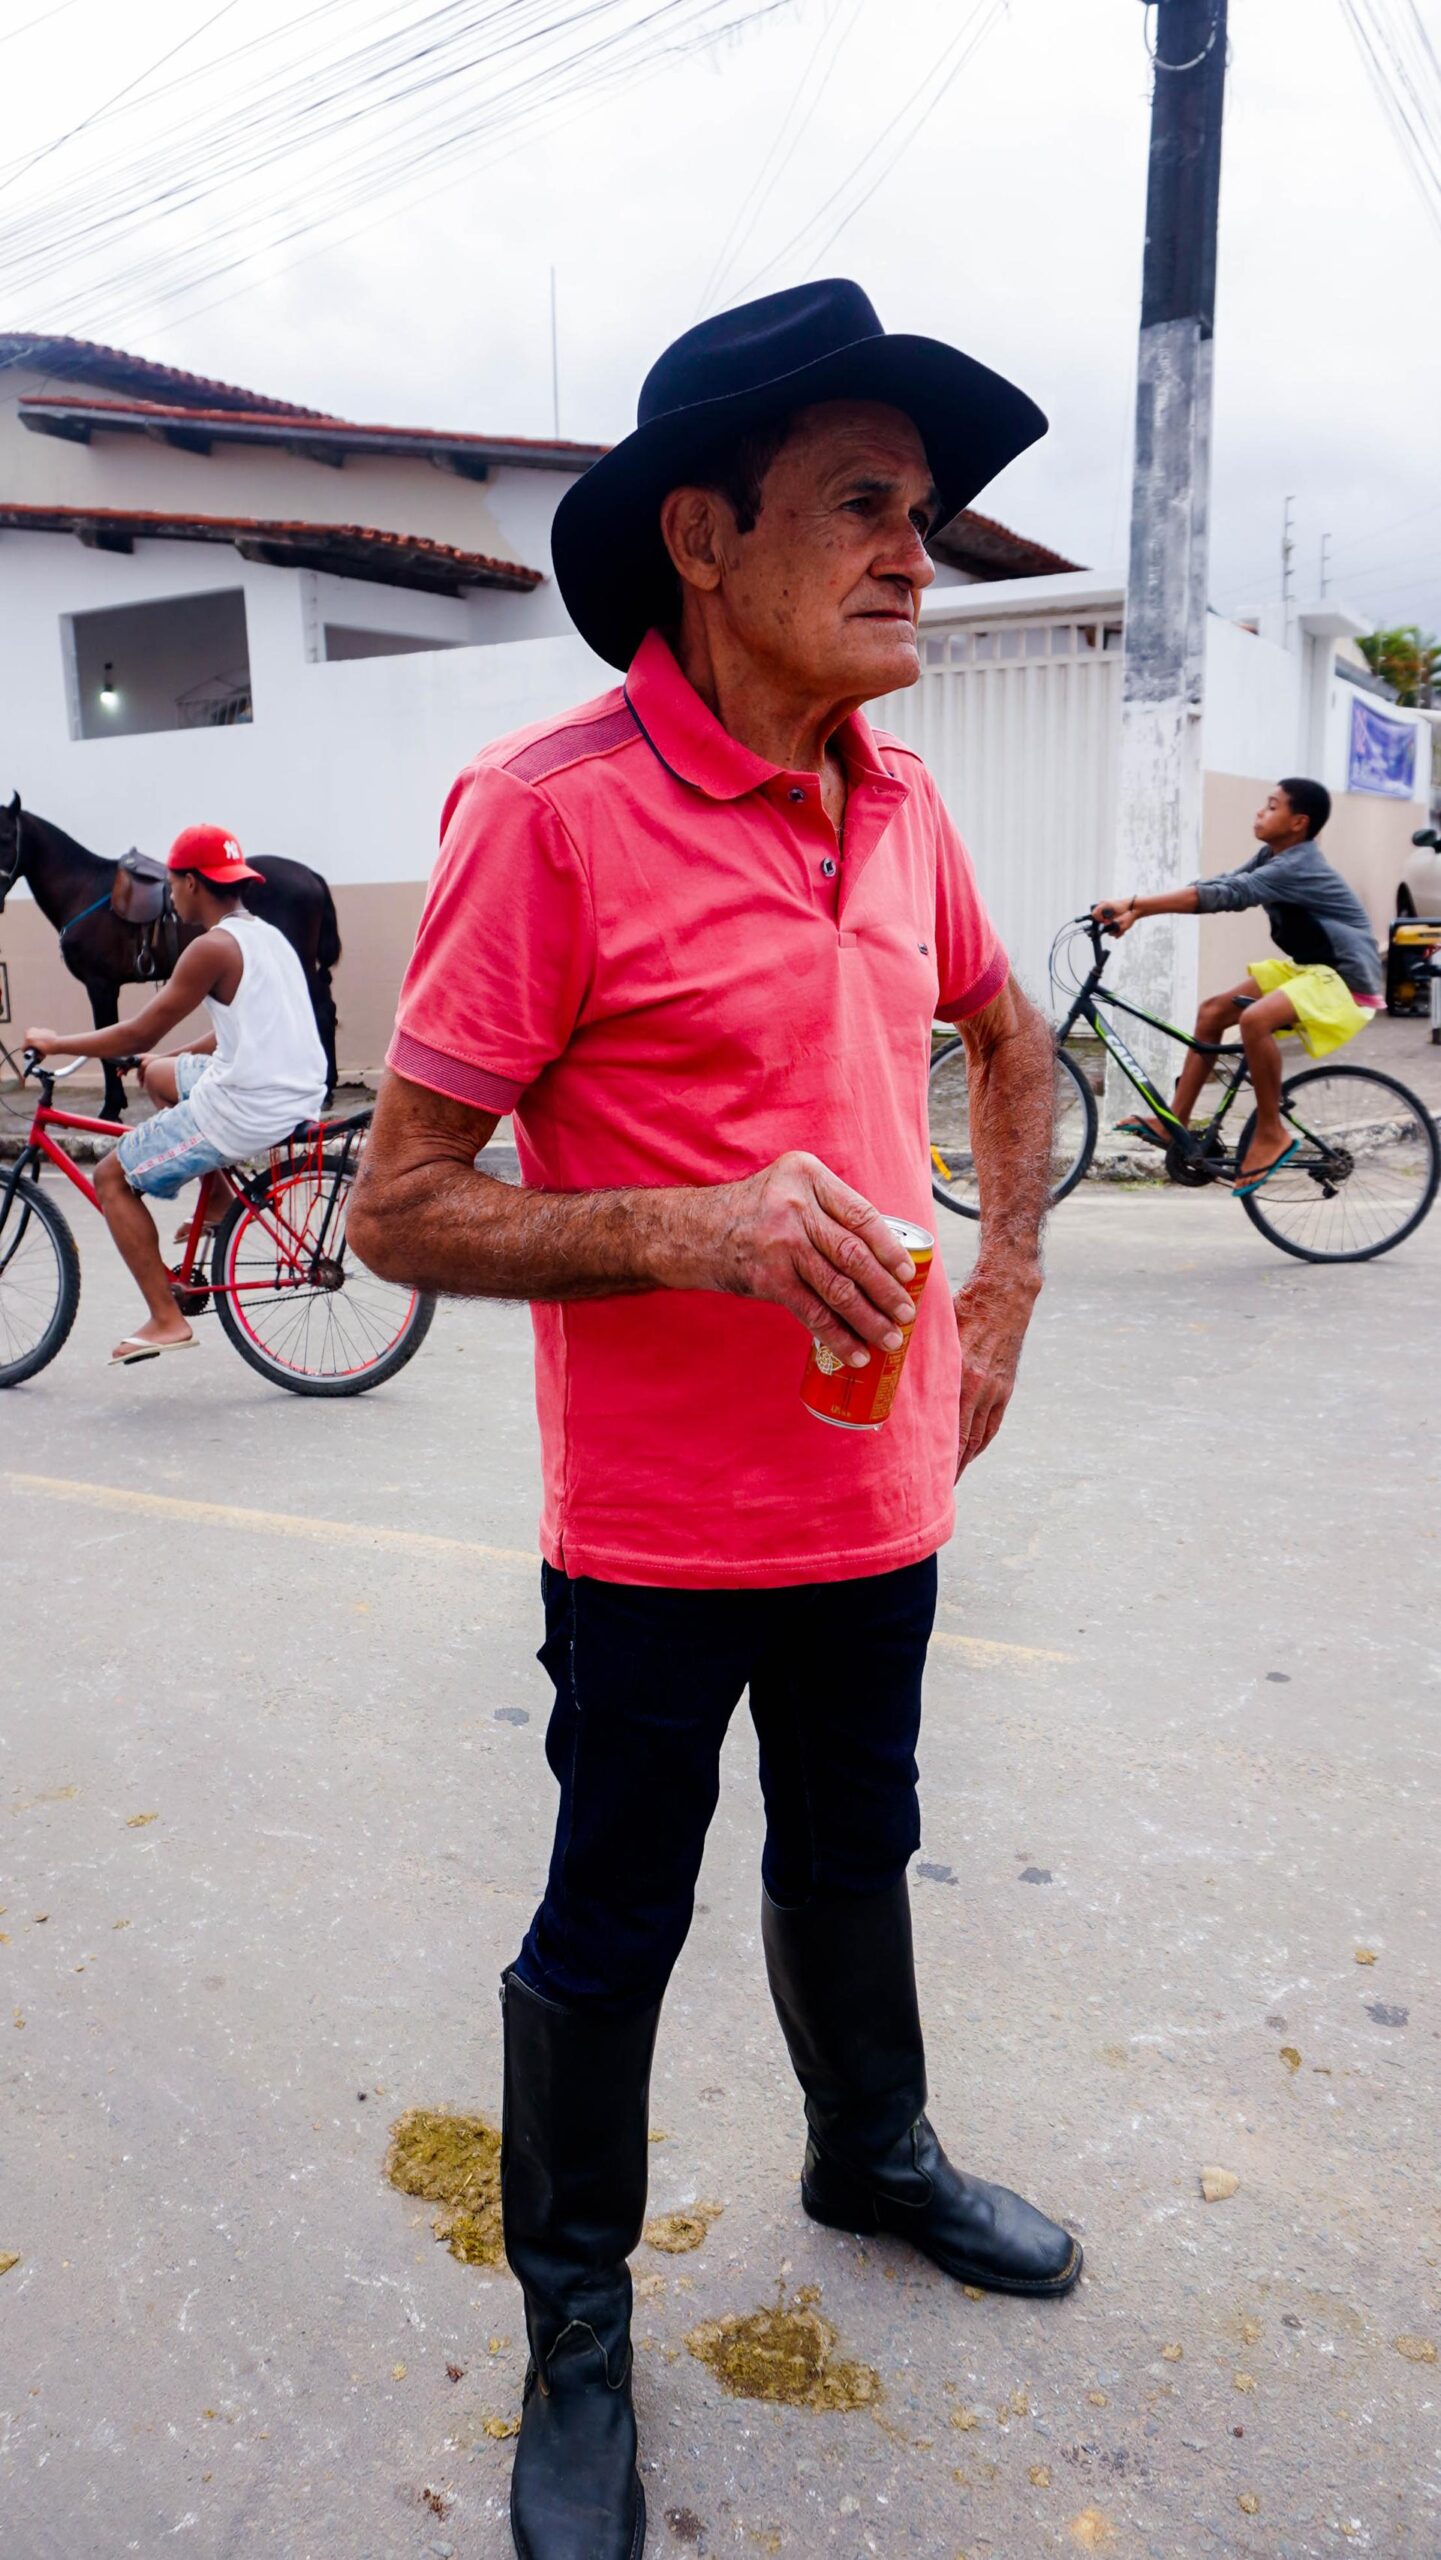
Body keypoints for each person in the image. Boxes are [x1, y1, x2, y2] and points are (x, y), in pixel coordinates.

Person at [350, 279, 1081, 2560]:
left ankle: (871, 2152)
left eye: (921, 511)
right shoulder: (548, 817)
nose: (914, 554)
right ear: (700, 533)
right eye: (861, 503)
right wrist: (695, 1227)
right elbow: (397, 1204)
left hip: (881, 1496)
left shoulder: (906, 799)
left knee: (854, 1846)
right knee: (613, 1921)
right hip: (657, 1535)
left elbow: (1008, 1036)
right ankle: (576, 2327)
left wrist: (999, 1295)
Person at [24, 823, 328, 1365]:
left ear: (191, 883)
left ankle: (166, 1318)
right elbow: (240, 1027)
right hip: (292, 1089)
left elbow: (136, 1032)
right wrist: (165, 1059)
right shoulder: (265, 936)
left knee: (111, 1178)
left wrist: (56, 1042)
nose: (169, 894)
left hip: (244, 1107)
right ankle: (219, 1201)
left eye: (170, 883)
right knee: (161, 1075)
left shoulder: (209, 949)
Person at [1095, 776, 1384, 1194]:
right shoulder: (1272, 855)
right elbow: (1220, 884)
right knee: (1213, 1013)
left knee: (1254, 1020)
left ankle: (1271, 1132)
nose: (1260, 812)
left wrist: (1136, 903)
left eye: (1272, 806)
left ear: (1299, 822)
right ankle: (1174, 1121)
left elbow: (1230, 894)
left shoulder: (1296, 865)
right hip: (1313, 969)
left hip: (1345, 978)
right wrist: (1137, 912)